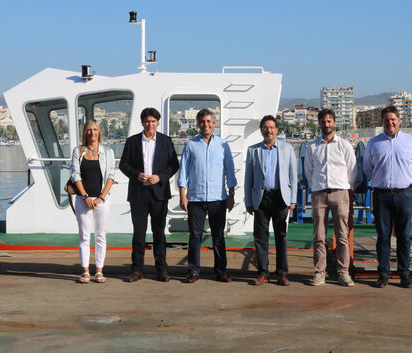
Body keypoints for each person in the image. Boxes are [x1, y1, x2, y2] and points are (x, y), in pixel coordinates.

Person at [363, 106, 412, 288]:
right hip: (381, 195)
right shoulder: (373, 143)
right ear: (382, 122)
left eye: (393, 119)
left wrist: (404, 179)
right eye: (386, 120)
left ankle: (404, 273)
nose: (390, 123)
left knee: (404, 236)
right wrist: (379, 180)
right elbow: (367, 168)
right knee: (383, 236)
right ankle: (383, 273)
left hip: (404, 194)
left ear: (399, 120)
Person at [119, 108, 179, 282]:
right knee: (138, 233)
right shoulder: (132, 141)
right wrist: (137, 175)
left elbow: (173, 165)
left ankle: (161, 270)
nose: (150, 124)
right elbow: (124, 165)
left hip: (159, 194)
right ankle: (137, 270)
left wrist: (160, 177)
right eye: (147, 121)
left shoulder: (166, 141)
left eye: (153, 121)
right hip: (138, 194)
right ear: (142, 123)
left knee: (159, 233)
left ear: (157, 122)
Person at [178, 108, 237, 283]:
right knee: (195, 236)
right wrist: (183, 196)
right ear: (198, 124)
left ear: (214, 124)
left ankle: (220, 270)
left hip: (218, 198)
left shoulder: (223, 145)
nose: (206, 124)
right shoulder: (191, 145)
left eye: (209, 121)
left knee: (218, 235)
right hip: (195, 198)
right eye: (202, 121)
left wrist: (231, 194)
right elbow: (183, 172)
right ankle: (193, 271)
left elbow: (230, 171)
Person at [304, 109, 357, 287]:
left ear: (334, 123)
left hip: (340, 193)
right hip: (319, 194)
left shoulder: (344, 145)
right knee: (319, 236)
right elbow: (309, 172)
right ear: (318, 124)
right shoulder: (312, 147)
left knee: (342, 235)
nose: (326, 124)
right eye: (323, 121)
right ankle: (320, 272)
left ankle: (343, 273)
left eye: (329, 121)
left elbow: (352, 170)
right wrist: (318, 186)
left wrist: (343, 186)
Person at [244, 115, 298, 286]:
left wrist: (293, 200)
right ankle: (263, 273)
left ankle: (282, 273)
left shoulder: (287, 148)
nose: (269, 130)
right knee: (260, 237)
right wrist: (248, 201)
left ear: (277, 130)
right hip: (261, 198)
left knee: (281, 236)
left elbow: (293, 177)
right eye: (265, 127)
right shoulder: (253, 150)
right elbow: (248, 178)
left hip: (281, 197)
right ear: (261, 130)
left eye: (272, 127)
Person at [70, 120, 115, 284]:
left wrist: (100, 197)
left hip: (102, 200)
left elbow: (111, 175)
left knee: (100, 236)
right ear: (85, 133)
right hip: (84, 200)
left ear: (99, 132)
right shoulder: (78, 151)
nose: (92, 133)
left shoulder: (108, 151)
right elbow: (76, 175)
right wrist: (85, 197)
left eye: (95, 129)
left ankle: (99, 270)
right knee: (84, 236)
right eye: (89, 130)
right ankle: (85, 271)